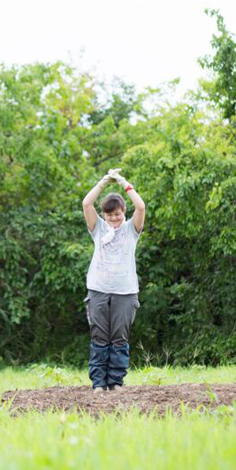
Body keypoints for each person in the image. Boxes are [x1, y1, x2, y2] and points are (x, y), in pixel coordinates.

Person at [81, 168, 146, 394]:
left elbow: (141, 207)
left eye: (117, 214)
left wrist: (123, 183)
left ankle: (116, 382)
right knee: (99, 337)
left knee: (119, 338)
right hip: (98, 289)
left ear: (123, 212)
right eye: (110, 215)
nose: (114, 218)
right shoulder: (98, 228)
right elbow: (86, 203)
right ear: (104, 216)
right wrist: (104, 182)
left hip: (125, 292)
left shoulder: (131, 230)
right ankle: (98, 383)